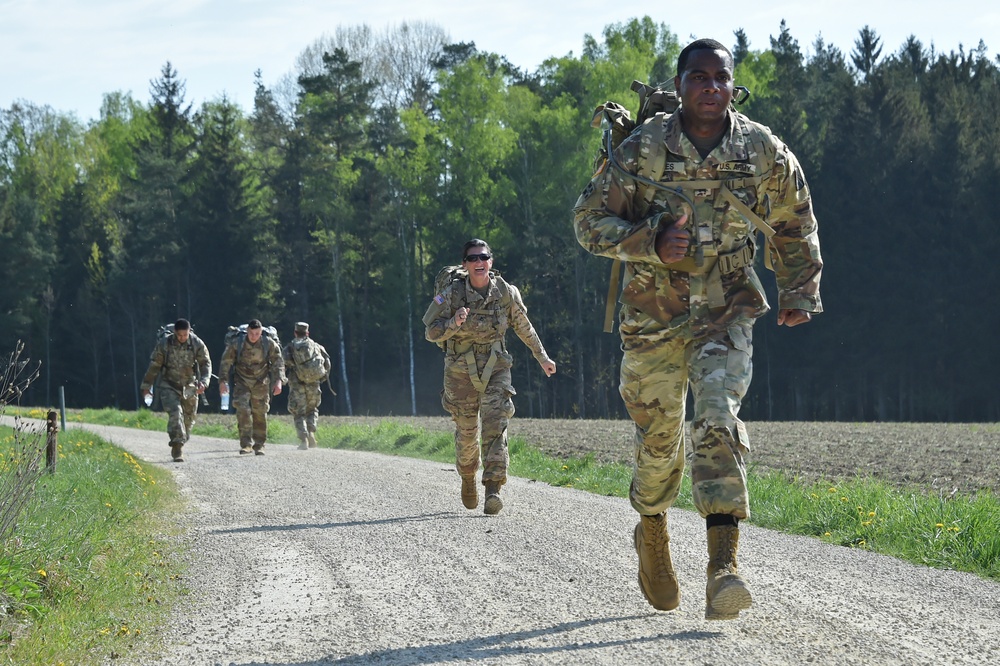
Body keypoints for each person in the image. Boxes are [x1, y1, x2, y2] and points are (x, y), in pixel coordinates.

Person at [573, 38, 823, 620]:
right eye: (699, 77)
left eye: (721, 78)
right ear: (681, 85)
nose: (712, 87)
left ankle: (723, 565)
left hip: (727, 306)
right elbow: (588, 222)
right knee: (660, 442)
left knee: (717, 417)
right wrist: (650, 242)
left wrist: (798, 291)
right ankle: (653, 533)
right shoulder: (642, 150)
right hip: (652, 313)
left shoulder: (759, 148)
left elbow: (794, 217)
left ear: (733, 86)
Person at [423, 239, 557, 515]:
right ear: (465, 264)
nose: (479, 262)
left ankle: (493, 489)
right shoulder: (450, 294)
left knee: (496, 424)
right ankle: (468, 477)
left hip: (496, 366)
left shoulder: (505, 292)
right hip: (460, 370)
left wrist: (542, 358)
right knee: (467, 430)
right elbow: (431, 333)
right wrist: (454, 322)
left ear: (491, 262)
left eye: (483, 257)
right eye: (473, 258)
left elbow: (524, 327)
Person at [139, 319, 212, 463]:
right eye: (180, 335)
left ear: (189, 331)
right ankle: (177, 447)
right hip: (169, 385)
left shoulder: (196, 343)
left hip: (189, 386)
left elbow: (206, 364)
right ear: (174, 333)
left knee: (188, 420)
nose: (183, 338)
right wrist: (146, 386)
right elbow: (154, 366)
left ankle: (181, 439)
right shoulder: (164, 344)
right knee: (175, 414)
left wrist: (204, 382)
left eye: (185, 335)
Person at [218, 319, 286, 456]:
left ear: (261, 333)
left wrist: (279, 381)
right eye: (251, 333)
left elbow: (278, 362)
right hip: (242, 381)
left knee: (259, 412)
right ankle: (246, 444)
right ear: (247, 332)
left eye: (257, 334)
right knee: (242, 410)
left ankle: (259, 445)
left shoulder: (268, 344)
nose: (253, 336)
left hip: (261, 382)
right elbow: (226, 362)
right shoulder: (237, 343)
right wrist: (222, 382)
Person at [282, 322, 332, 450]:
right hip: (314, 384)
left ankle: (303, 440)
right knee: (312, 409)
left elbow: (283, 364)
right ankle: (311, 434)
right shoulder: (316, 346)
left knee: (299, 412)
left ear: (295, 332)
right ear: (308, 333)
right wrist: (320, 378)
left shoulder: (290, 347)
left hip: (297, 384)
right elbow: (327, 363)